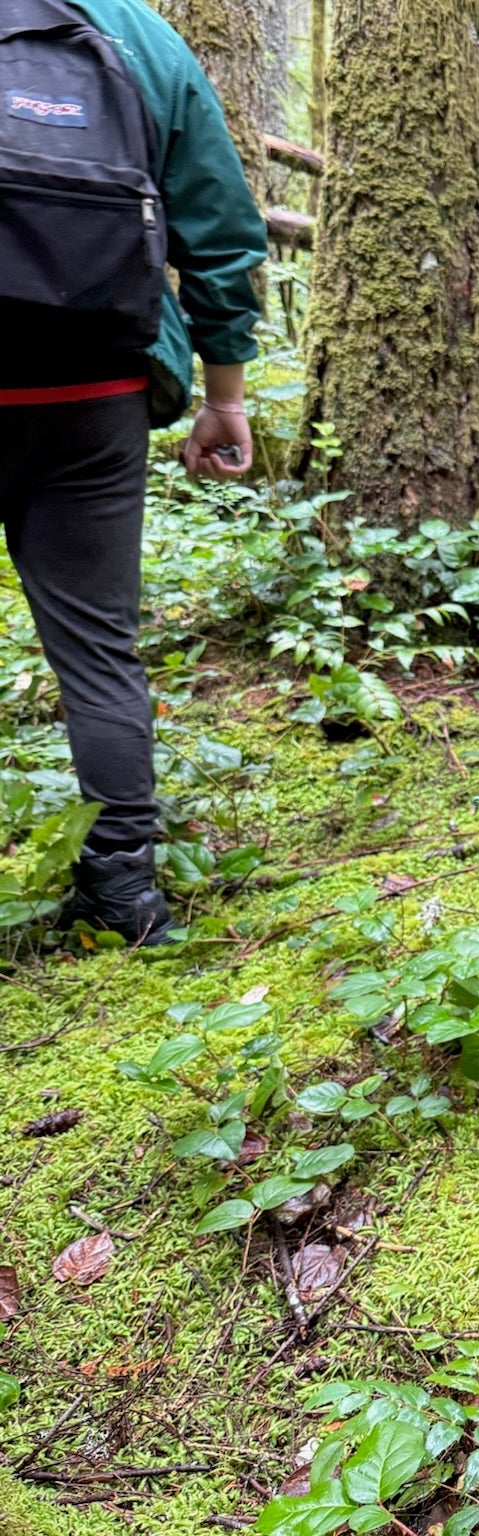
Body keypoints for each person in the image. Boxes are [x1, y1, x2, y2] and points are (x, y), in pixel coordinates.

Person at [0, 0, 266, 944]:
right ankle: (123, 892)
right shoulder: (140, 38)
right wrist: (224, 395)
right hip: (94, 390)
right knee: (97, 647)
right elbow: (222, 231)